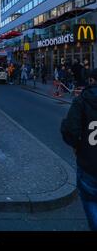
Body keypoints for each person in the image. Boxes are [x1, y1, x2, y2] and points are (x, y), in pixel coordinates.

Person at [61, 69, 97, 231]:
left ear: (91, 81)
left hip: (89, 163)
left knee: (91, 201)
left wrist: (76, 146)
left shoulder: (82, 101)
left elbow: (70, 131)